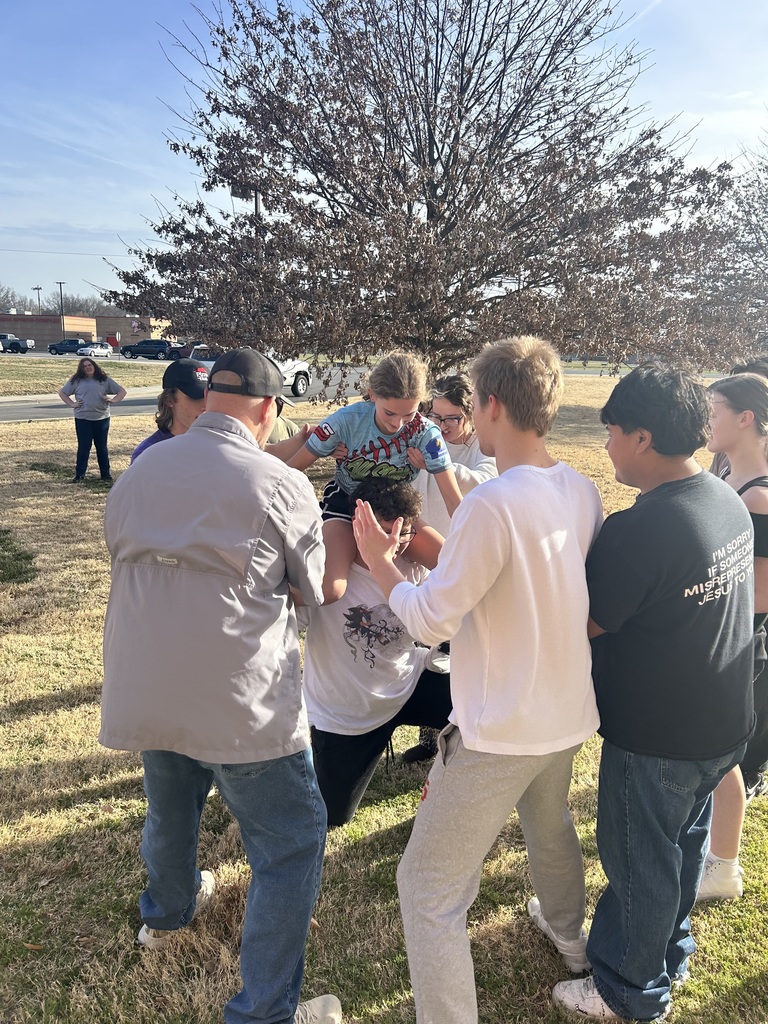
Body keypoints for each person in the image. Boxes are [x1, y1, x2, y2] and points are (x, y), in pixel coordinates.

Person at [354, 336, 603, 1024]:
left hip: (499, 730)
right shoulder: (580, 490)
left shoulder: (493, 503)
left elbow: (432, 621)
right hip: (566, 715)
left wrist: (380, 561)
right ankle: (570, 937)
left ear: (489, 405)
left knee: (427, 888)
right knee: (549, 826)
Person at [100, 348, 341, 1024]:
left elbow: (118, 550)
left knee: (171, 805)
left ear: (209, 401)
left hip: (148, 679)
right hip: (240, 700)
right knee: (291, 842)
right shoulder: (279, 483)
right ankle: (267, 1010)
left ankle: (166, 915)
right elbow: (316, 588)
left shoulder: (143, 470)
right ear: (269, 410)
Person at [553, 364, 755, 1021]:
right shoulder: (724, 497)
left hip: (659, 737)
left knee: (639, 861)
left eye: (611, 432)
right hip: (721, 721)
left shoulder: (641, 531)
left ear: (641, 438)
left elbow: (582, 624)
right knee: (678, 849)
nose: (606, 444)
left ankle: (632, 990)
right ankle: (671, 950)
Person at [299, 476, 452, 826]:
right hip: (345, 713)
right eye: (383, 532)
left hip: (408, 680)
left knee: (479, 707)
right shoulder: (327, 571)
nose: (394, 544)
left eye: (403, 532)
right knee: (333, 815)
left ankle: (436, 744)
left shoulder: (414, 562)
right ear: (359, 526)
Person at [288, 350, 463, 602]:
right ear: (372, 394)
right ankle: (264, 594)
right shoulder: (344, 422)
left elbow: (454, 501)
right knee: (330, 590)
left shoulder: (427, 433)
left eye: (409, 414)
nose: (399, 425)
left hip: (395, 511)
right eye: (389, 413)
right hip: (346, 504)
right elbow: (291, 471)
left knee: (453, 568)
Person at [697, 373, 768, 902]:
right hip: (720, 636)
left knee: (722, 758)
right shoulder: (724, 474)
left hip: (737, 642)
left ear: (746, 418)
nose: (708, 419)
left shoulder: (759, 496)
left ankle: (723, 868)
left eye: (716, 409)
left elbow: (760, 593)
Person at [404, 371, 497, 764]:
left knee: (460, 649)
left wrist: (439, 463)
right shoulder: (423, 436)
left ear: (471, 416)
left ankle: (459, 731)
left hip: (463, 558)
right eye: (435, 417)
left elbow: (485, 482)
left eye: (451, 419)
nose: (441, 427)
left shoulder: (482, 448)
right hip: (425, 550)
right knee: (426, 645)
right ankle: (430, 737)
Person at [58, 357, 126, 482]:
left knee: (102, 447)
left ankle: (105, 475)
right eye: (85, 366)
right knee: (84, 447)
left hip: (102, 418)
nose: (88, 367)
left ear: (94, 366)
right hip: (83, 418)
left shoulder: (104, 380)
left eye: (90, 365)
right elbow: (62, 393)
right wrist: (72, 404)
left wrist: (113, 400)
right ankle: (80, 475)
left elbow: (122, 391)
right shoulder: (76, 381)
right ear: (81, 369)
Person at [130, 358, 209, 461]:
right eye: (195, 397)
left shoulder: (219, 445)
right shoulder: (148, 455)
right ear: (169, 400)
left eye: (209, 397)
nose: (205, 405)